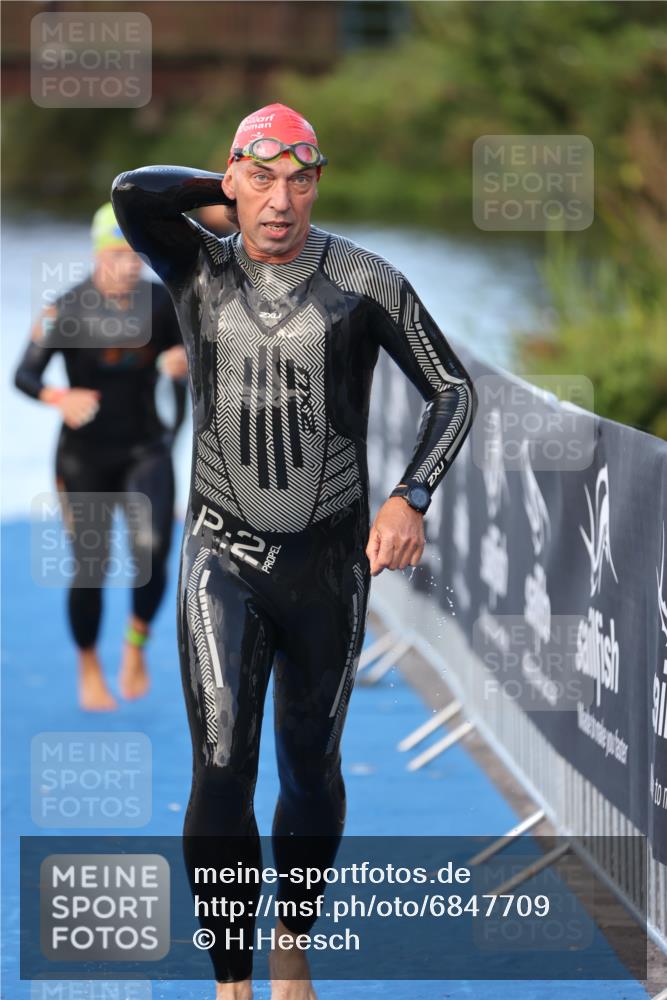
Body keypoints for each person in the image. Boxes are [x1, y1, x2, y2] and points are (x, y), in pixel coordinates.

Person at [111, 103, 477, 999]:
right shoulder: (197, 265)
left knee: (308, 770)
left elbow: (452, 391)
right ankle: (231, 977)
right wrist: (230, 184)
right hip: (220, 557)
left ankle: (291, 935)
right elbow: (132, 193)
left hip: (326, 567)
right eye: (261, 180)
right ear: (232, 183)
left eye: (300, 180)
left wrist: (410, 493)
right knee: (222, 767)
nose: (281, 201)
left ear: (320, 184)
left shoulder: (364, 281)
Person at [14, 203, 188, 711]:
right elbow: (24, 376)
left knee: (153, 552)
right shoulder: (66, 308)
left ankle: (135, 646)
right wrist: (59, 398)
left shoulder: (162, 304)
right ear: (97, 256)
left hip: (146, 448)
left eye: (135, 257)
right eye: (116, 256)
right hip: (84, 455)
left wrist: (182, 360)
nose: (128, 267)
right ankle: (88, 664)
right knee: (91, 564)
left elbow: (201, 355)